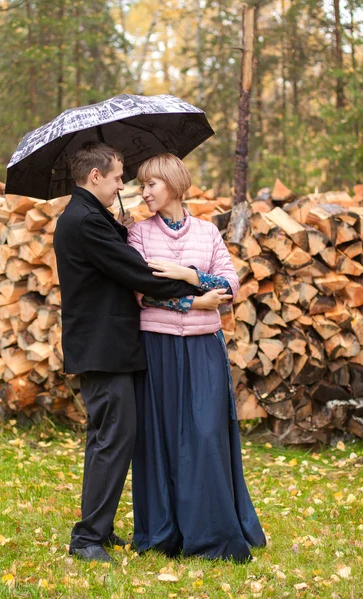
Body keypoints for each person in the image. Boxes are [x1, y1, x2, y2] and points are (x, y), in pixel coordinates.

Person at [53, 142, 227, 563]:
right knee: (113, 438)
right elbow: (136, 271)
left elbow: (118, 256)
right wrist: (196, 290)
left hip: (111, 348)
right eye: (117, 177)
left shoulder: (93, 217)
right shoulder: (83, 221)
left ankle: (99, 528)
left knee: (112, 437)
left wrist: (120, 226)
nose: (122, 185)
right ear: (95, 176)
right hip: (102, 348)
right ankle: (87, 538)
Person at [127, 153, 266, 562]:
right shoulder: (138, 234)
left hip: (205, 348)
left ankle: (210, 532)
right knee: (162, 435)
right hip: (157, 347)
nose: (144, 192)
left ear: (171, 182)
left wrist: (191, 277)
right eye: (140, 185)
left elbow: (230, 284)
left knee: (205, 435)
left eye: (150, 184)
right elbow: (140, 291)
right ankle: (163, 532)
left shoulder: (207, 232)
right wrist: (194, 303)